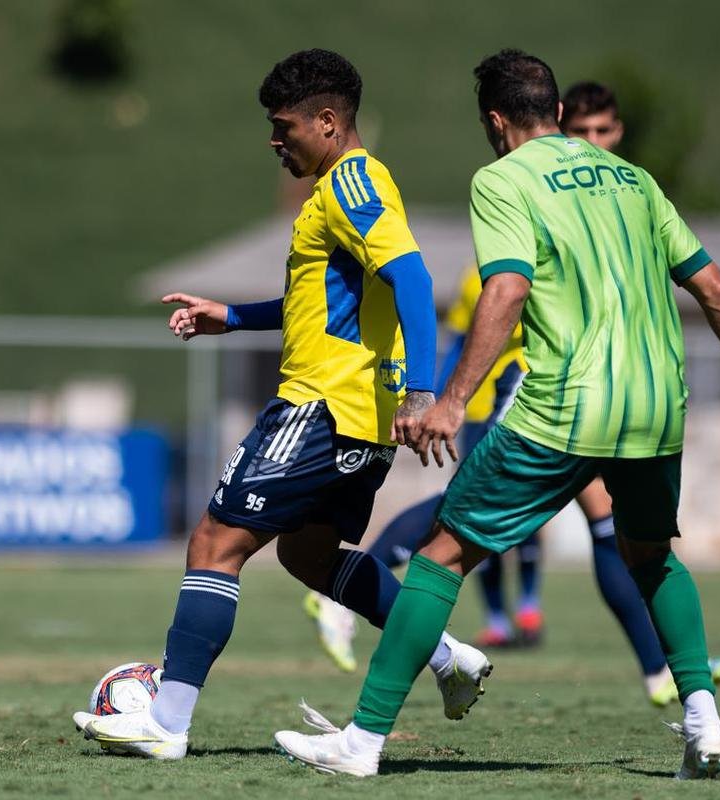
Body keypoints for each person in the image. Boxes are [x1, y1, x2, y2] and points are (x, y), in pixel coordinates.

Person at [275, 49, 720, 779]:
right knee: (649, 555)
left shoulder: (501, 179)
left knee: (439, 558)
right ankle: (703, 722)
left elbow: (506, 291)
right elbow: (715, 288)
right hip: (655, 408)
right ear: (555, 111)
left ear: (494, 120)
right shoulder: (635, 179)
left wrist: (450, 400)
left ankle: (360, 744)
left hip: (563, 408)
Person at [70, 48, 492, 760]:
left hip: (320, 408)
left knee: (213, 542)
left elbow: (414, 280)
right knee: (307, 554)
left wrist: (424, 392)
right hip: (356, 416)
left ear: (327, 121)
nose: (275, 140)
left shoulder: (352, 181)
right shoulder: (340, 188)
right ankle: (447, 655)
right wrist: (228, 317)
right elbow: (317, 304)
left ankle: (166, 722)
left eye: (284, 125)